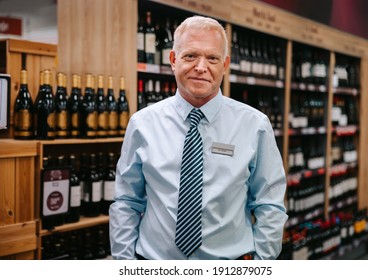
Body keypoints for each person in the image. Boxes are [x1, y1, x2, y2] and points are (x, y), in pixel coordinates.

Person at [109, 15, 288, 260]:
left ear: (224, 65)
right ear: (173, 60)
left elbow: (270, 205)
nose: (201, 67)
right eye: (190, 56)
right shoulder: (142, 124)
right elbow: (126, 201)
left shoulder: (254, 125)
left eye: (212, 58)